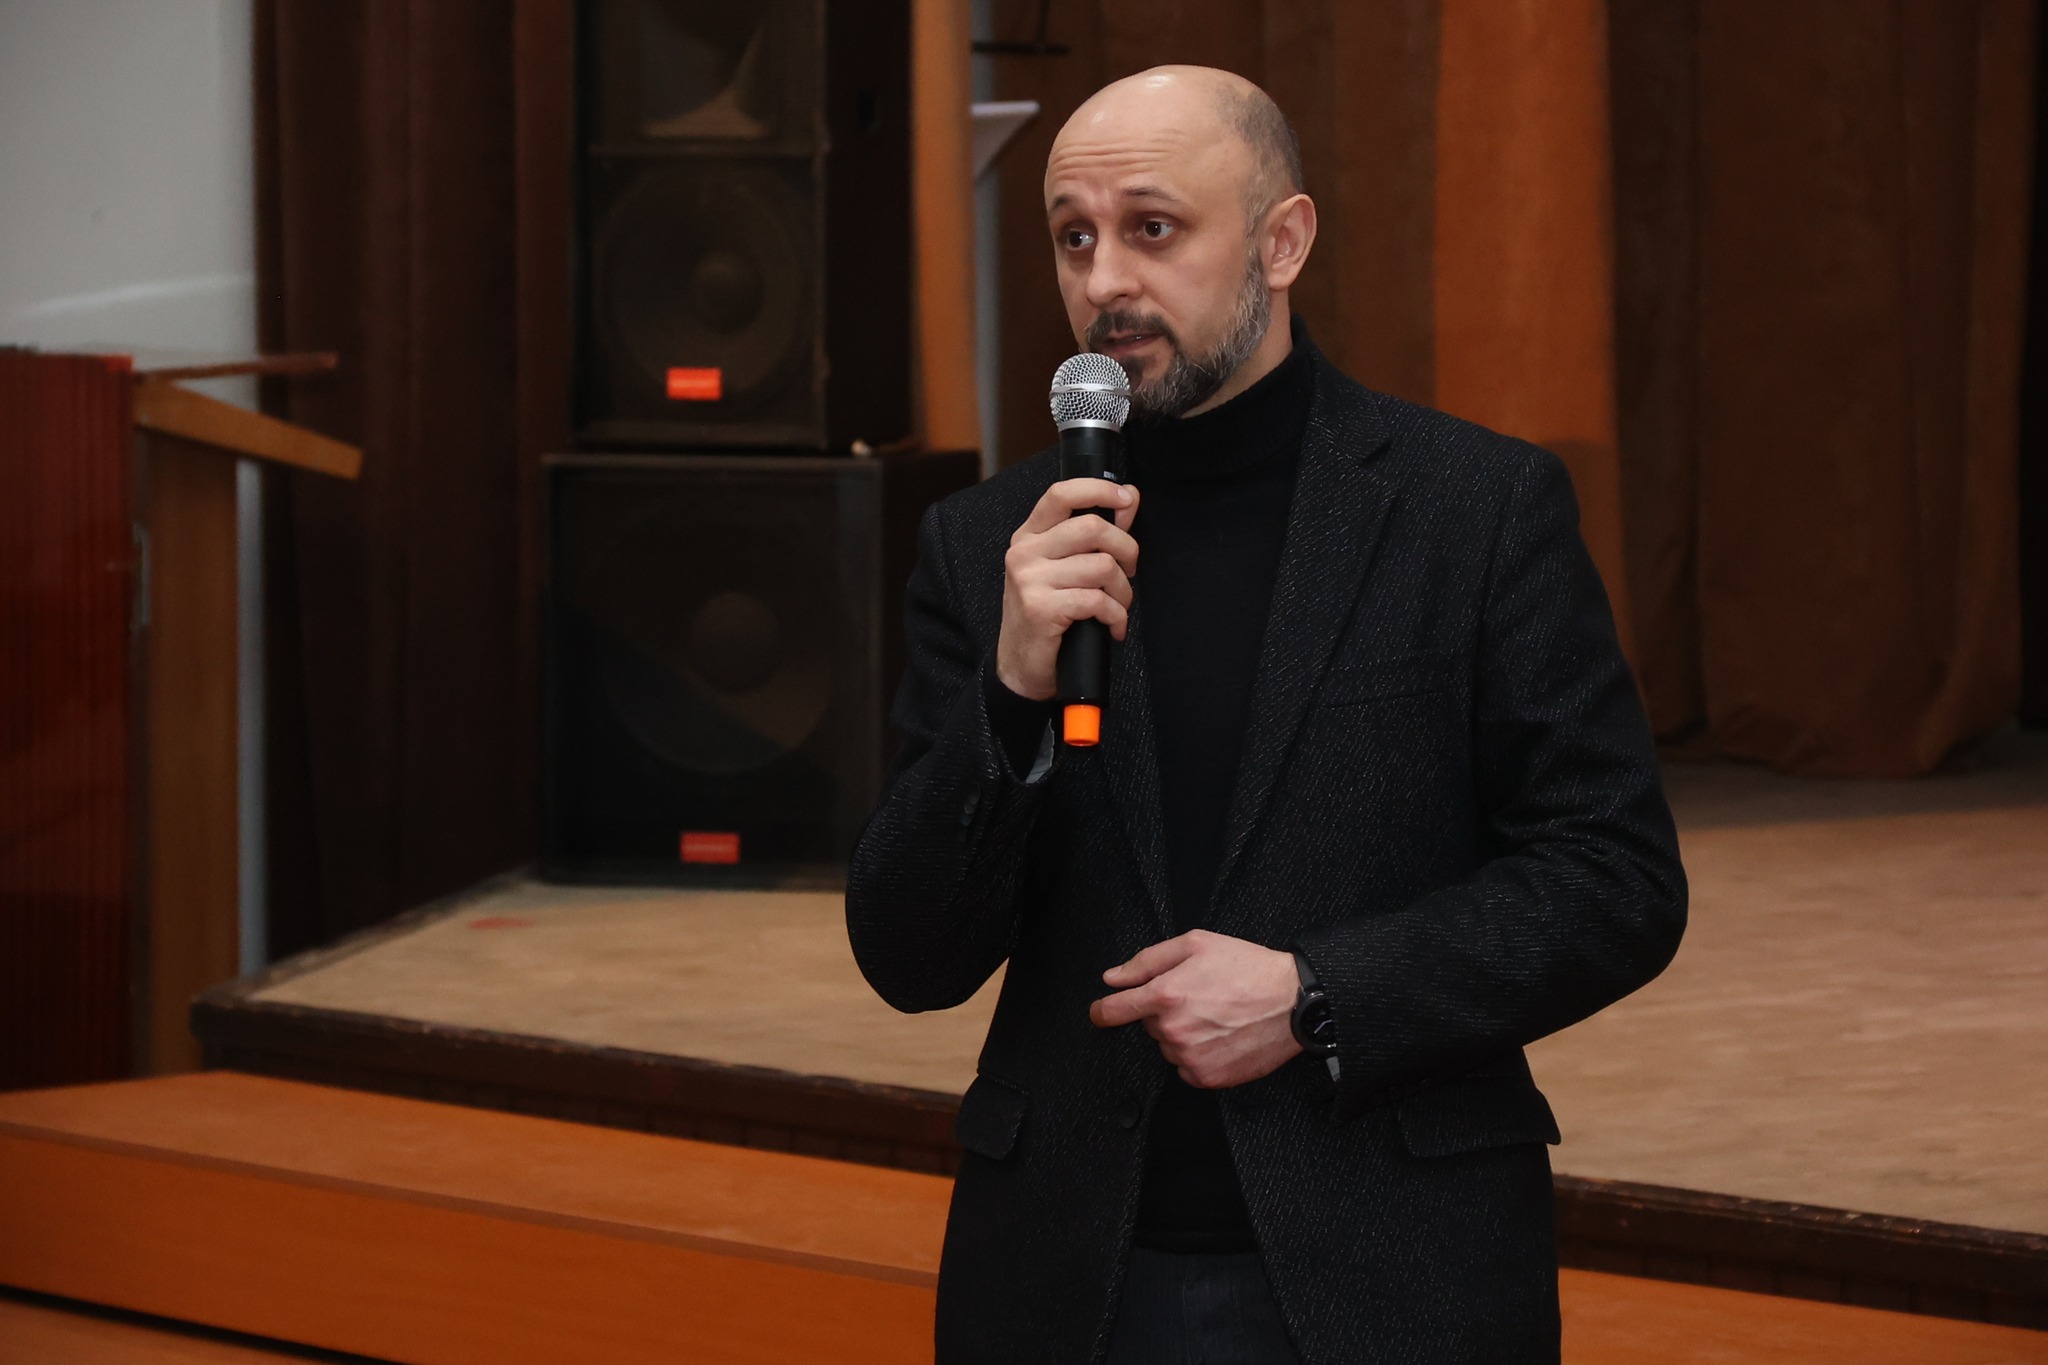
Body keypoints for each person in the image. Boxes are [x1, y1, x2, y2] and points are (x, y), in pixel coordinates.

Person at [845, 65, 1686, 1364]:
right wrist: (1011, 693)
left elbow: (1613, 879)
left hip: (1397, 1264)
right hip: (1072, 1276)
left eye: (1153, 228)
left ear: (1282, 242)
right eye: (1073, 236)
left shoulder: (1474, 512)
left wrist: (1317, 992)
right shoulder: (988, 547)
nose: (1106, 281)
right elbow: (909, 956)